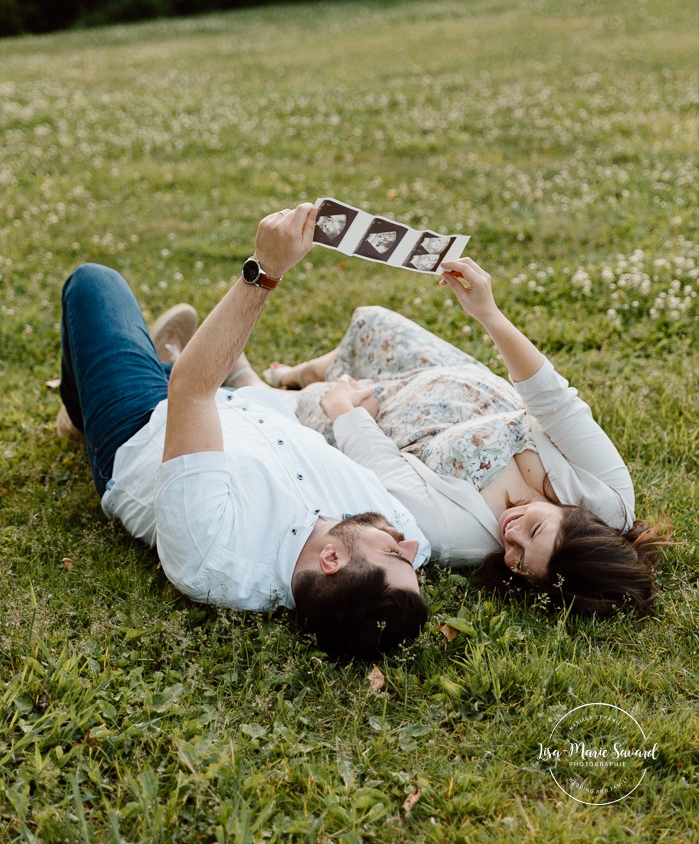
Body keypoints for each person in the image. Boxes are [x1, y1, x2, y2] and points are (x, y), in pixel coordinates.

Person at [56, 203, 431, 661]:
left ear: (331, 561)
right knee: (180, 361)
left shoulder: (214, 552)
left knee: (95, 284)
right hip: (248, 404)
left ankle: (84, 409)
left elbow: (191, 392)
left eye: (396, 556)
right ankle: (167, 354)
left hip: (147, 423)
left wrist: (267, 269)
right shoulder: (396, 533)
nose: (410, 545)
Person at [260, 257, 668, 617]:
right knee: (375, 326)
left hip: (391, 415)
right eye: (535, 532)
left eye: (519, 559)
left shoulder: (459, 538)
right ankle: (291, 373)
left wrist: (346, 412)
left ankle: (261, 382)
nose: (511, 536)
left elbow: (387, 471)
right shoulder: (609, 497)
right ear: (578, 519)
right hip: (462, 384)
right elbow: (554, 402)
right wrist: (487, 312)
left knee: (305, 400)